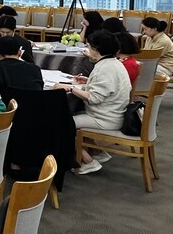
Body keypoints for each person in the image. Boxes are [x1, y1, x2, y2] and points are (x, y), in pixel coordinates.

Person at [53, 30, 132, 175]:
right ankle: (97, 151)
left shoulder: (105, 68)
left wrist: (70, 88)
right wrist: (89, 81)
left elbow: (94, 98)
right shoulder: (114, 63)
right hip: (113, 112)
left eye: (90, 47)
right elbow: (110, 87)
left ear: (97, 49)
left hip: (105, 118)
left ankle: (88, 161)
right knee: (72, 115)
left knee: (58, 124)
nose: (88, 50)